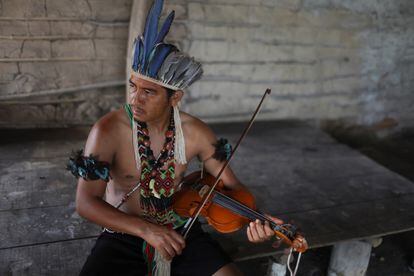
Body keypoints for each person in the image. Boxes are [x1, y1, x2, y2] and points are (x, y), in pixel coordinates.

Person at [67, 1, 303, 275]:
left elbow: (232, 186)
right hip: (124, 232)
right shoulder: (107, 130)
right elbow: (85, 203)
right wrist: (147, 230)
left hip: (181, 231)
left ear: (175, 97)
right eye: (133, 86)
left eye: (149, 92)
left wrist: (257, 219)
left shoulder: (197, 133)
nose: (135, 99)